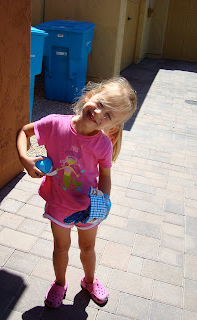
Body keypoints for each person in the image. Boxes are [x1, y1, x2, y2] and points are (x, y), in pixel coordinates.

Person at [16, 76, 137, 308]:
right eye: (101, 104)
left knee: (88, 247)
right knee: (60, 248)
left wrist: (102, 206)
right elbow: (24, 132)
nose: (100, 114)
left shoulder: (103, 144)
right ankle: (60, 283)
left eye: (109, 115)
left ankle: (89, 281)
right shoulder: (54, 124)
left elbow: (105, 177)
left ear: (111, 126)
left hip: (89, 209)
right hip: (59, 205)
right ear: (90, 96)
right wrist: (25, 158)